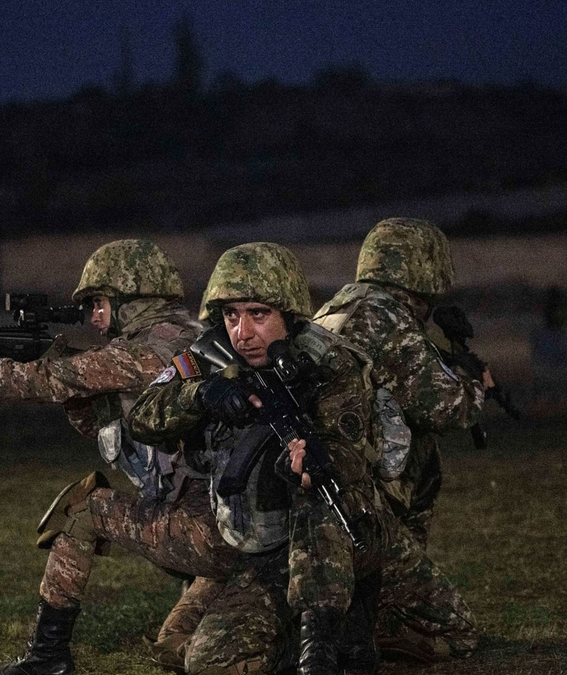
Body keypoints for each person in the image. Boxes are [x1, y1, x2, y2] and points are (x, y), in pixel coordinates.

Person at [0, 239, 225, 674]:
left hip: (209, 535)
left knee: (82, 509)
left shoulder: (147, 349)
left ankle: (47, 658)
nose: (93, 317)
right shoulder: (192, 336)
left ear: (130, 296)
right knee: (178, 646)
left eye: (99, 303)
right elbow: (102, 428)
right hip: (229, 531)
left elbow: (39, 381)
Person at [128, 242, 477, 675]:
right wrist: (200, 394)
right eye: (231, 315)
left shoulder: (330, 362)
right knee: (210, 662)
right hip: (260, 544)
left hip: (347, 530)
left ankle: (336, 627)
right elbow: (142, 419)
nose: (242, 332)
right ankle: (302, 639)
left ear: (289, 314)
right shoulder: (206, 356)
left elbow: (347, 457)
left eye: (258, 315)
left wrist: (309, 464)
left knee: (453, 632)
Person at [312, 218, 491, 661]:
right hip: (358, 509)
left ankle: (371, 614)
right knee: (460, 636)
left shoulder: (336, 307)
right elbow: (449, 408)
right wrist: (477, 384)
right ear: (426, 273)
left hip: (317, 493)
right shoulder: (389, 320)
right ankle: (380, 623)